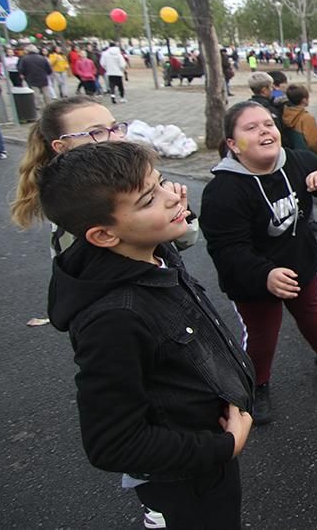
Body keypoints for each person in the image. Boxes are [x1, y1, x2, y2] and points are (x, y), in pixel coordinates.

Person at [41, 141, 255, 529]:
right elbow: (113, 441)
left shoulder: (150, 248)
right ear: (104, 236)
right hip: (189, 477)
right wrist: (225, 446)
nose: (172, 198)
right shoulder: (115, 318)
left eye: (161, 183)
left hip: (209, 450)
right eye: (147, 200)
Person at [200, 101, 317, 425]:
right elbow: (227, 250)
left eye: (268, 124)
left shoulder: (296, 161)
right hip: (254, 280)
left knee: (313, 312)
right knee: (262, 334)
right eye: (251, 127)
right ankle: (256, 385)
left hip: (300, 264)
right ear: (232, 144)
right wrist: (265, 274)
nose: (264, 131)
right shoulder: (223, 190)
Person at [11, 95, 200, 256]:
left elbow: (185, 240)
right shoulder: (76, 206)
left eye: (115, 127)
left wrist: (180, 216)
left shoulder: (139, 175)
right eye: (97, 132)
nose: (116, 137)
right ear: (61, 147)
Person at [282, 84, 317, 156]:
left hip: (293, 156)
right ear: (304, 100)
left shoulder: (285, 114)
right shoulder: (306, 118)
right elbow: (314, 142)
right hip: (307, 157)